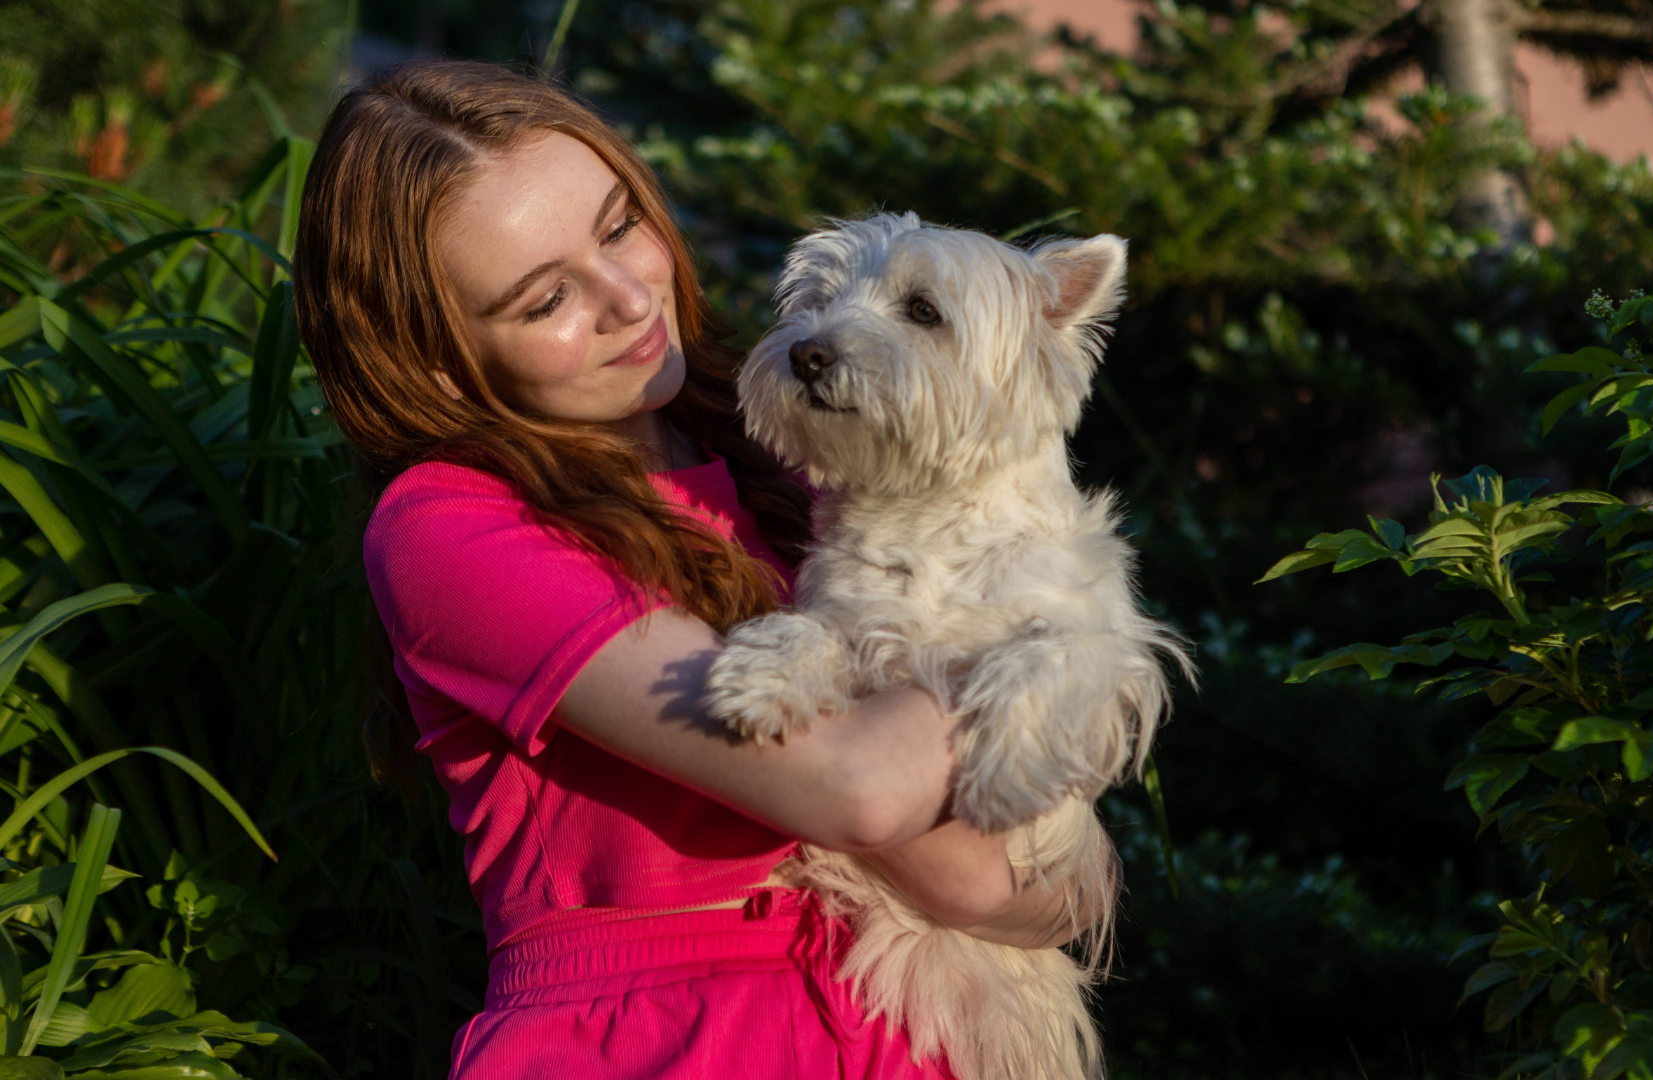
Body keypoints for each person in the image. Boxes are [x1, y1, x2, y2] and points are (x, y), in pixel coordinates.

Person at [292, 59, 1078, 1079]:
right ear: (438, 360)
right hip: (667, 1044)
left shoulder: (791, 463)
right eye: (548, 298)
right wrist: (1058, 647)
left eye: (620, 226)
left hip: (909, 1032)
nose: (628, 296)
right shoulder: (449, 530)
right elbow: (870, 795)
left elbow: (1052, 893)